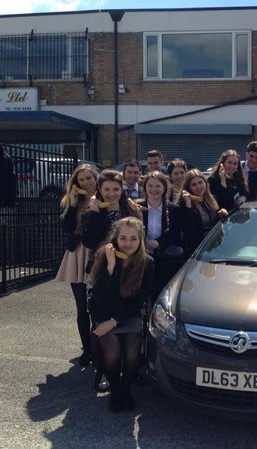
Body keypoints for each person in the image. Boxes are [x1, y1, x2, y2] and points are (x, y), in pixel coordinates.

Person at [81, 169, 142, 392]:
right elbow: (88, 241)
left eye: (116, 189)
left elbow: (138, 239)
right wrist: (96, 214)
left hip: (127, 270)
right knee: (98, 319)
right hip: (100, 271)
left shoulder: (131, 209)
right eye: (106, 189)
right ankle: (101, 370)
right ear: (100, 190)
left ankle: (127, 367)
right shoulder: (94, 210)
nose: (111, 193)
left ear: (122, 189)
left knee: (125, 314)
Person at [88, 217, 154, 412]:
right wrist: (110, 268)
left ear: (140, 240)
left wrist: (114, 322)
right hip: (103, 311)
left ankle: (125, 390)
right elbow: (98, 298)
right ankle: (115, 390)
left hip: (127, 314)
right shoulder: (103, 256)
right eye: (123, 238)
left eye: (133, 239)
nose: (127, 244)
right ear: (115, 239)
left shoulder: (147, 262)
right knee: (112, 354)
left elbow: (139, 300)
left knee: (133, 354)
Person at [55, 163, 99, 366]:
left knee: (98, 305)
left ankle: (98, 347)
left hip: (97, 253)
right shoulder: (71, 201)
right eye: (81, 179)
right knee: (82, 307)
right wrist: (73, 203)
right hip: (77, 252)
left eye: (89, 178)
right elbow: (66, 227)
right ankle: (86, 350)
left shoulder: (104, 197)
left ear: (95, 178)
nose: (86, 182)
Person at [138, 171, 182, 304]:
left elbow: (175, 235)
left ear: (164, 188)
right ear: (145, 188)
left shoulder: (174, 209)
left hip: (163, 259)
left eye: (158, 186)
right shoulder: (138, 207)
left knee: (159, 294)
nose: (154, 190)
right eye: (150, 186)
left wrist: (159, 242)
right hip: (141, 257)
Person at [178, 169, 228, 257]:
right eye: (194, 184)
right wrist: (188, 205)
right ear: (188, 188)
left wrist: (222, 214)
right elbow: (188, 229)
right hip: (197, 250)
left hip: (215, 246)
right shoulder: (185, 204)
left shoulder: (212, 199)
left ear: (205, 183)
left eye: (200, 182)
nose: (198, 187)